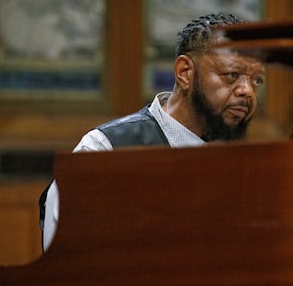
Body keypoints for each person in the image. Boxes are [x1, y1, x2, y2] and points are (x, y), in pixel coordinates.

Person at [41, 12, 266, 251]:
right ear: (184, 73)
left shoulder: (248, 164)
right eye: (232, 76)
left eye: (256, 81)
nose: (247, 91)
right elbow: (68, 266)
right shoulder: (105, 150)